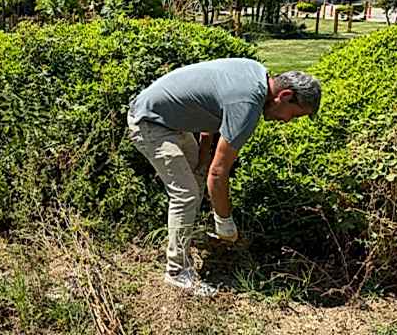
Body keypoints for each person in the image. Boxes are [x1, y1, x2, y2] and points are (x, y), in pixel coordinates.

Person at [127, 58, 321, 296]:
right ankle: (177, 272)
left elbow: (213, 114)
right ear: (286, 96)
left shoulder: (255, 73)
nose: (287, 121)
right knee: (186, 194)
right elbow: (218, 175)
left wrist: (204, 154)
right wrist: (225, 223)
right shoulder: (248, 103)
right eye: (294, 115)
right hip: (150, 123)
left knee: (195, 183)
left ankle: (186, 243)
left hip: (168, 119)